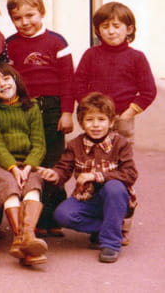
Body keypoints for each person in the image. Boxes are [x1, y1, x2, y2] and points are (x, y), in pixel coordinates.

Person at [38, 93, 138, 263]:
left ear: (111, 122)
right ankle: (109, 228)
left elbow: (130, 174)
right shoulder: (75, 144)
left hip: (116, 200)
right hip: (87, 198)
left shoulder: (120, 143)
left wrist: (96, 176)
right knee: (62, 215)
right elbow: (64, 168)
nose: (96, 125)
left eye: (101, 119)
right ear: (82, 123)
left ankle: (111, 244)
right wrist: (54, 174)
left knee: (113, 187)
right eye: (90, 120)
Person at [6, 0, 74, 236]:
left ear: (42, 12)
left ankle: (53, 217)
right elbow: (10, 81)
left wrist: (67, 112)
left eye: (30, 15)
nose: (25, 22)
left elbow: (68, 80)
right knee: (32, 160)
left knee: (53, 161)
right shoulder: (10, 44)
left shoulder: (57, 42)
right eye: (18, 18)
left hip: (52, 108)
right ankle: (34, 218)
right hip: (25, 109)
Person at [0, 63, 47, 266]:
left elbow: (39, 144)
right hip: (2, 164)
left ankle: (24, 239)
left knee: (32, 187)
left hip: (27, 163)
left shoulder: (32, 107)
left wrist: (27, 168)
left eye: (6, 78)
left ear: (16, 79)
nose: (2, 84)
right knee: (10, 188)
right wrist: (12, 168)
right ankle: (25, 240)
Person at [74, 1, 156, 142]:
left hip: (122, 118)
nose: (111, 31)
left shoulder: (137, 57)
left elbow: (148, 91)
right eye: (105, 26)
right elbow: (78, 84)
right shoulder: (90, 55)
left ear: (129, 29)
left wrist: (129, 113)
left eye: (116, 26)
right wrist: (89, 109)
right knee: (93, 151)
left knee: (122, 152)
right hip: (96, 119)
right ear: (98, 30)